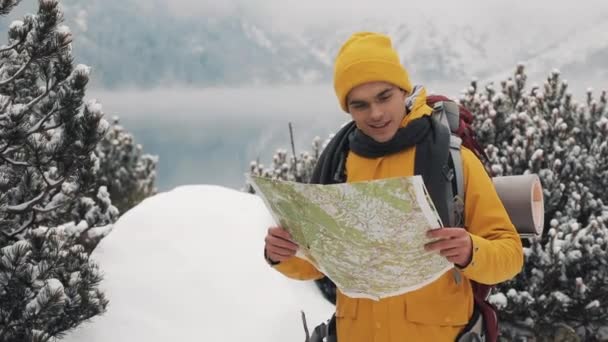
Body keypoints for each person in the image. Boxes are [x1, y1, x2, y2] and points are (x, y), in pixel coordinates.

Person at [264, 31, 524, 342]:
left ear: (403, 90)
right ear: (348, 109)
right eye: (360, 105)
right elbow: (318, 265)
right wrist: (284, 254)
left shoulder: (455, 160)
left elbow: (510, 254)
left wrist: (471, 250)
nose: (375, 113)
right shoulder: (339, 166)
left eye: (384, 97)